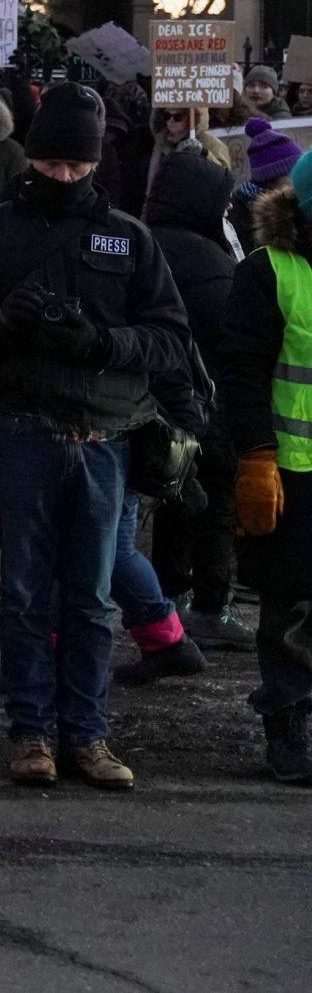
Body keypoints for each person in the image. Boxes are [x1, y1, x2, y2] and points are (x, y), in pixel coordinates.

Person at [0, 82, 191, 790]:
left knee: (93, 597)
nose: (64, 177)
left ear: (95, 164)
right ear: (33, 158)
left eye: (77, 167)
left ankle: (87, 732)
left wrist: (99, 342)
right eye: (52, 165)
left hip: (103, 437)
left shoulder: (129, 238)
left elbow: (170, 339)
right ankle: (30, 730)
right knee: (23, 591)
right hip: (23, 432)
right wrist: (2, 327)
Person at [142, 148, 252, 654]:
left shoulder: (139, 242)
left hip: (147, 401)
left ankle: (169, 598)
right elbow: (232, 340)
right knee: (212, 501)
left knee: (172, 498)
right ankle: (211, 606)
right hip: (203, 405)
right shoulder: (211, 262)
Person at [226, 149, 312, 782]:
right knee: (292, 607)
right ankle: (289, 725)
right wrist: (256, 457)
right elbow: (243, 376)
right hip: (292, 470)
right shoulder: (268, 272)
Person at [236, 118, 302, 254]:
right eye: (293, 173)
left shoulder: (297, 203)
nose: (299, 180)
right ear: (272, 180)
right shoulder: (241, 215)